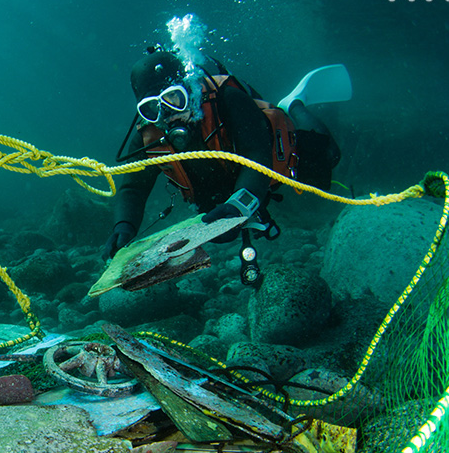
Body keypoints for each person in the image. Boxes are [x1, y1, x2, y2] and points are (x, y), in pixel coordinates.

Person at [103, 48, 341, 284]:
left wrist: (239, 207)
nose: (167, 114)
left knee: (328, 158)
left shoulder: (228, 98)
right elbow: (133, 187)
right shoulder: (149, 134)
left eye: (174, 98)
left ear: (190, 90)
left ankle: (294, 105)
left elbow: (257, 155)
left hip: (265, 156)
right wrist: (124, 226)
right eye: (152, 108)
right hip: (221, 189)